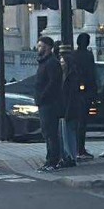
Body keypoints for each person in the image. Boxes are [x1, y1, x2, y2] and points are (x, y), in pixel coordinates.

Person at [34, 37, 63, 171]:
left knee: (51, 132)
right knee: (47, 132)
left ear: (47, 47)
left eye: (40, 46)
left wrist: (42, 96)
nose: (38, 48)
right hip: (44, 102)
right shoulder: (43, 63)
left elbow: (53, 83)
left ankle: (53, 161)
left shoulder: (51, 63)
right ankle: (49, 159)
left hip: (50, 103)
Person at [72, 33, 97, 161]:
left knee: (76, 122)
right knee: (82, 122)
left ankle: (76, 148)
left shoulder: (73, 55)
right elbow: (92, 74)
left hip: (75, 93)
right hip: (86, 92)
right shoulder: (88, 55)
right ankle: (80, 149)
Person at [57, 51, 83, 168]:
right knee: (66, 133)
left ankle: (71, 156)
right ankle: (68, 155)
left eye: (63, 62)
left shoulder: (71, 77)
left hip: (70, 109)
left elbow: (72, 96)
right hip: (66, 108)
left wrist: (67, 111)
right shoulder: (66, 76)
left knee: (69, 134)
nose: (61, 64)